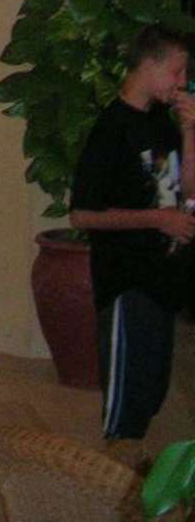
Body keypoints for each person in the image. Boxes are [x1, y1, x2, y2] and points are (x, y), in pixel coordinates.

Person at [70, 26, 195, 452]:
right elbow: (82, 213)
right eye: (176, 72)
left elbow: (187, 193)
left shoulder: (160, 122)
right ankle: (115, 475)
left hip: (165, 280)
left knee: (151, 392)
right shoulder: (112, 129)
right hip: (128, 281)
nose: (181, 82)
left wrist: (190, 133)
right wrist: (157, 219)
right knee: (125, 404)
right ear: (150, 65)